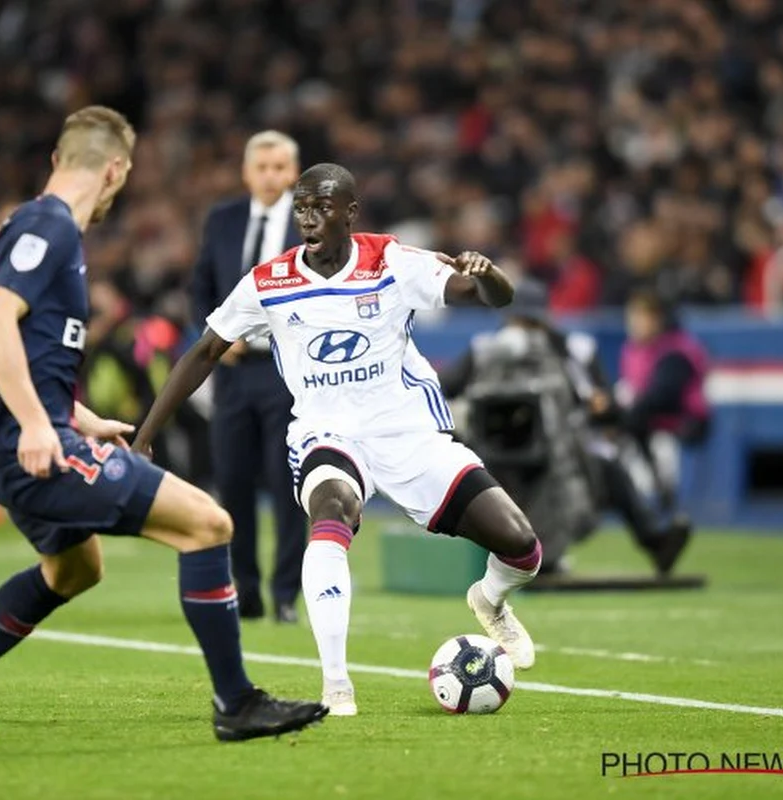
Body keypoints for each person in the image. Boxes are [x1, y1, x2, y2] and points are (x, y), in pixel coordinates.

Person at [0, 106, 328, 744]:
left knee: (76, 570)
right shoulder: (49, 227)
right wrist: (40, 427)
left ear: (57, 159)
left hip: (17, 442)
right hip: (31, 447)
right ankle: (237, 704)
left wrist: (79, 416)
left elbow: (13, 341)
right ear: (116, 170)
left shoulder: (25, 227)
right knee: (209, 525)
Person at [132, 163, 542, 717]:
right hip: (328, 433)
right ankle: (336, 684)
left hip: (408, 434)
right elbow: (204, 351)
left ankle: (490, 600)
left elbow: (490, 296)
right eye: (301, 208)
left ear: (350, 212)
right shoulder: (269, 282)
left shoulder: (391, 261)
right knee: (330, 512)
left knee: (521, 546)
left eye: (321, 207)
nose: (308, 218)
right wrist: (144, 437)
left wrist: (488, 272)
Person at [440, 280, 692, 575]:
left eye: (530, 322)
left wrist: (601, 408)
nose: (524, 332)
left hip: (561, 454)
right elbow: (440, 392)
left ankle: (656, 542)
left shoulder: (574, 351)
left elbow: (602, 407)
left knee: (609, 467)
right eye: (519, 321)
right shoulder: (485, 350)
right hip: (496, 458)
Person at [188, 130, 307, 623]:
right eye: (262, 167)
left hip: (287, 371)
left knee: (287, 485)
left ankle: (285, 595)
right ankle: (247, 590)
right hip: (234, 373)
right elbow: (201, 286)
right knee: (233, 481)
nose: (271, 176)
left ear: (294, 173)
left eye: (280, 167)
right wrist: (217, 333)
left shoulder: (309, 223)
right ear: (246, 172)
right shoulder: (223, 219)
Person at [617, 290, 711, 511]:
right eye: (633, 317)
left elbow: (663, 397)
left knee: (651, 440)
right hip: (645, 425)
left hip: (680, 427)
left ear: (657, 320)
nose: (635, 324)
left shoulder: (675, 351)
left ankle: (661, 492)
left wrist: (623, 414)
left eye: (642, 317)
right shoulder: (632, 350)